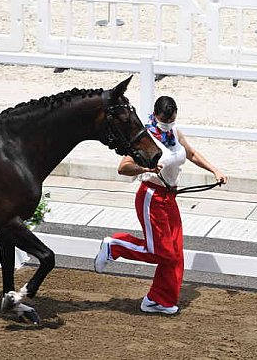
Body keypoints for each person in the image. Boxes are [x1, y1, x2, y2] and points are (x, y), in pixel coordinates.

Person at [94, 96, 227, 314]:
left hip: (169, 197)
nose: (168, 124)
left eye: (171, 120)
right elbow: (124, 167)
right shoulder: (145, 138)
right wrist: (146, 169)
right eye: (164, 121)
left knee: (175, 251)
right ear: (155, 116)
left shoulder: (174, 133)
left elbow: (191, 153)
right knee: (160, 252)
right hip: (151, 197)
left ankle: (160, 300)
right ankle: (114, 245)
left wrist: (215, 170)